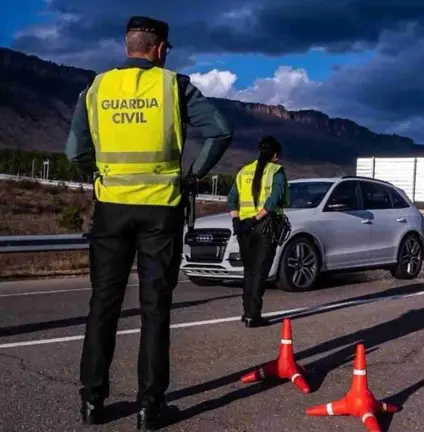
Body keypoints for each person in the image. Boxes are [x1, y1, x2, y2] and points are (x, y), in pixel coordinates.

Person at [64, 16, 233, 430]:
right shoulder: (174, 86)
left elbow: (73, 152)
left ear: (127, 47)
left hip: (111, 208)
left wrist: (102, 173)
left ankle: (92, 403)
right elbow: (221, 132)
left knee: (103, 304)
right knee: (155, 309)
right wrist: (193, 174)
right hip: (161, 209)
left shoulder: (96, 87)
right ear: (160, 49)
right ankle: (149, 407)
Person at [227, 136, 288, 328]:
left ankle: (246, 313)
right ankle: (254, 315)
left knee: (249, 271)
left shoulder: (244, 171)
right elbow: (274, 200)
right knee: (260, 272)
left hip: (244, 227)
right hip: (264, 226)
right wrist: (256, 218)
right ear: (276, 155)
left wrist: (237, 220)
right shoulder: (276, 171)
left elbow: (231, 198)